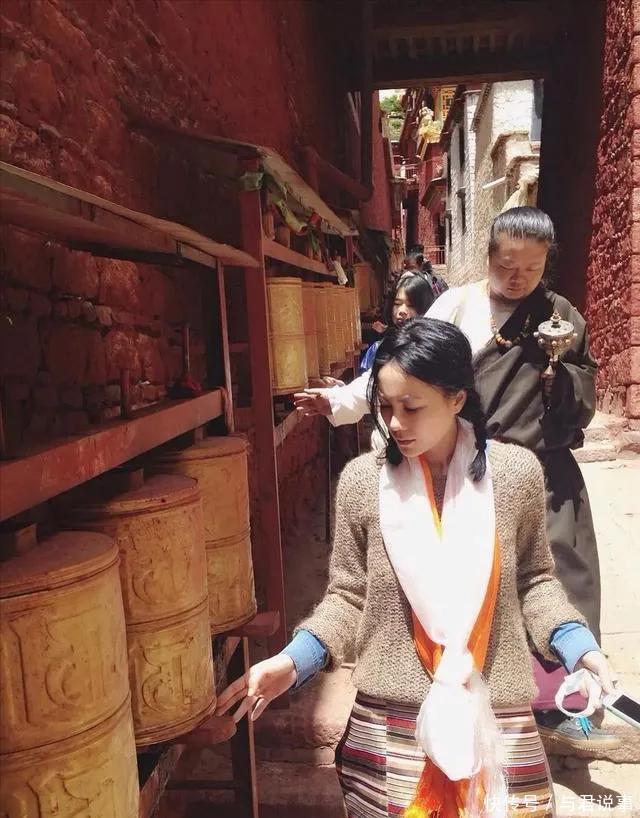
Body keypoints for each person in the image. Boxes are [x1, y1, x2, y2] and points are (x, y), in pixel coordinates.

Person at [217, 319, 616, 818]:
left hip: (495, 715)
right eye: (385, 407)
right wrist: (294, 661)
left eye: (412, 407)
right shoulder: (364, 484)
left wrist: (580, 648)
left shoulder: (515, 477)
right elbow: (349, 598)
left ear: (457, 399)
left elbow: (534, 582)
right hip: (390, 728)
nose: (395, 424)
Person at [293, 207, 615, 752]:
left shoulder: (559, 317)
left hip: (534, 468)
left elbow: (582, 393)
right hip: (463, 464)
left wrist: (558, 377)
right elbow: (405, 374)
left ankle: (559, 703)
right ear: (488, 256)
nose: (517, 278)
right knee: (452, 587)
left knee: (554, 580)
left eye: (532, 268)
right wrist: (342, 402)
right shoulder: (458, 307)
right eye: (507, 265)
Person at [360, 271, 435, 373]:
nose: (402, 311)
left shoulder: (433, 350)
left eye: (411, 305)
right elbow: (366, 379)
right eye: (397, 303)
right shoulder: (378, 349)